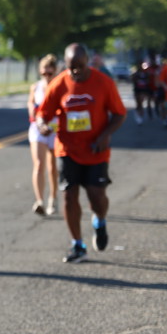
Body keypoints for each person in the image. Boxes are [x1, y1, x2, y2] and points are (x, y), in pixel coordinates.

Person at [36, 43, 126, 263]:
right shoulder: (59, 84)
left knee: (97, 197)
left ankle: (100, 221)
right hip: (67, 149)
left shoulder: (103, 82)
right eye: (71, 67)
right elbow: (42, 114)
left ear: (88, 61)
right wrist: (42, 125)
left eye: (80, 66)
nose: (75, 71)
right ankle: (77, 245)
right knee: (69, 196)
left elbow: (119, 114)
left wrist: (105, 136)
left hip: (96, 150)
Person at [26, 54, 60, 215]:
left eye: (49, 72)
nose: (46, 75)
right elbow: (31, 103)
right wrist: (32, 110)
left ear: (55, 71)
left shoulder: (59, 86)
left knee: (52, 166)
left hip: (55, 128)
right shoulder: (36, 87)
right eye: (43, 72)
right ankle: (39, 201)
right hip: (37, 128)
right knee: (39, 164)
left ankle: (53, 198)